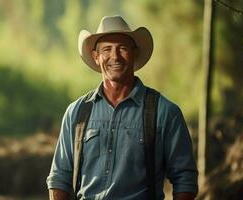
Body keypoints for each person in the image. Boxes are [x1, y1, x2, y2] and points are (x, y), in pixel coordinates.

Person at [47, 15, 198, 200]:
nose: (115, 56)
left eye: (123, 48)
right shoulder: (76, 112)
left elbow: (185, 178)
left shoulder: (165, 112)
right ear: (96, 57)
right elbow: (59, 178)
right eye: (107, 49)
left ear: (134, 53)